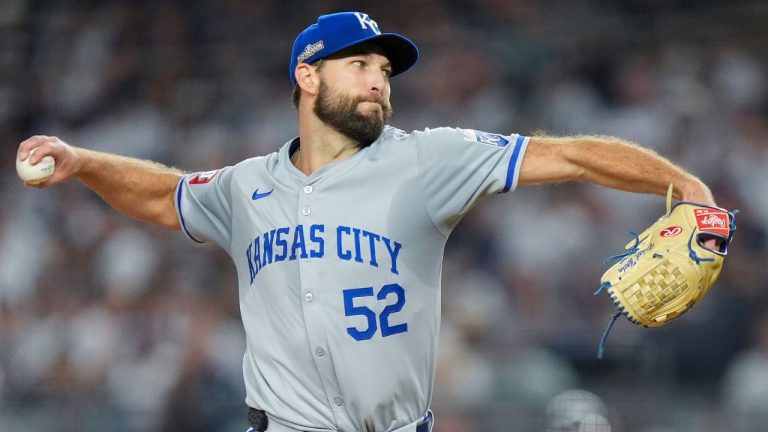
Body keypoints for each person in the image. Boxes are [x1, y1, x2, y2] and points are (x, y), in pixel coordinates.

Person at [17, 11, 719, 432]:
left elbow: (565, 154)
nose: (379, 79)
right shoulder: (245, 186)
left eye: (384, 67)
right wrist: (83, 161)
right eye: (359, 64)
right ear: (308, 75)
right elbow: (164, 196)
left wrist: (678, 181)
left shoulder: (428, 160)